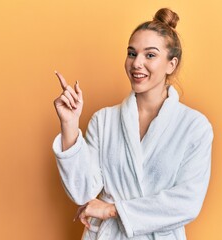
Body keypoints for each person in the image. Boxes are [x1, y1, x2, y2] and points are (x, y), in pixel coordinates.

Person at [52, 8, 213, 240]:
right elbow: (82, 191)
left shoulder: (194, 127)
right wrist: (69, 124)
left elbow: (187, 202)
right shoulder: (104, 120)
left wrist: (112, 210)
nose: (136, 63)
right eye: (131, 53)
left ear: (171, 64)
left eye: (150, 55)